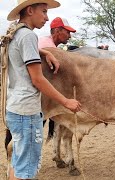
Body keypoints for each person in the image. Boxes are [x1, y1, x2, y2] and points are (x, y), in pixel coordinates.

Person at [5, 1, 81, 179]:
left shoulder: (15, 33)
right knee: (27, 168)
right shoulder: (28, 36)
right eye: (44, 12)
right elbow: (38, 79)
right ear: (30, 10)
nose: (47, 18)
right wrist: (66, 101)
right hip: (28, 111)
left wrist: (45, 52)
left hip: (15, 108)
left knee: (18, 162)